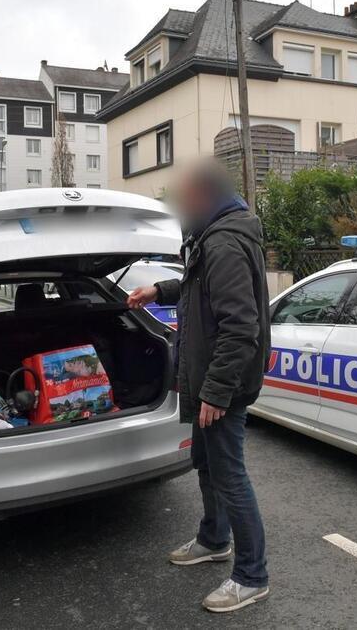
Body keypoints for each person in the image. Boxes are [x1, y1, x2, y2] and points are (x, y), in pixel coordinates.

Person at [127, 158, 271, 613]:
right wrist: (160, 290)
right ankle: (214, 539)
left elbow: (240, 327)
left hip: (220, 386)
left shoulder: (224, 242)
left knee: (230, 476)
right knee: (205, 464)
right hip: (211, 380)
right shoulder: (211, 235)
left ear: (204, 197)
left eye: (184, 198)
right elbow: (200, 289)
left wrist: (215, 392)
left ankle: (252, 575)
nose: (178, 207)